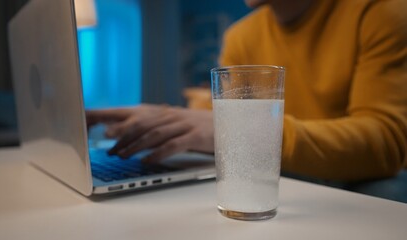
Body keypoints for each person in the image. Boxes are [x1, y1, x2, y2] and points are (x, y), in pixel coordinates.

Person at [86, 0, 407, 194]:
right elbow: (216, 121)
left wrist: (239, 129)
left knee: (388, 189)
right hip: (281, 175)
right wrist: (164, 118)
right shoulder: (242, 36)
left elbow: (388, 142)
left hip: (354, 179)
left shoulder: (379, 11)